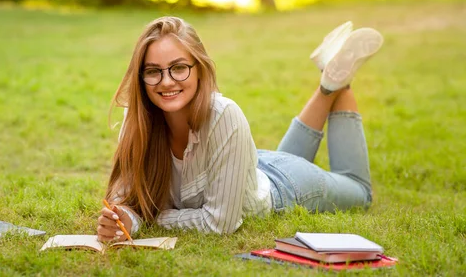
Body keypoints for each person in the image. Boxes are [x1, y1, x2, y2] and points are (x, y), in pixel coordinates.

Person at [96, 17, 383, 241]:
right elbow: (129, 197)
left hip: (288, 187)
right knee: (274, 167)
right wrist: (125, 218)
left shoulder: (223, 115)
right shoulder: (137, 123)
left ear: (200, 68)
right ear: (141, 77)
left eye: (179, 67)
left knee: (359, 190)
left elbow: (220, 223)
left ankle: (336, 81)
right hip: (249, 167)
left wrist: (152, 217)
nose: (167, 81)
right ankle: (330, 76)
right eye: (153, 71)